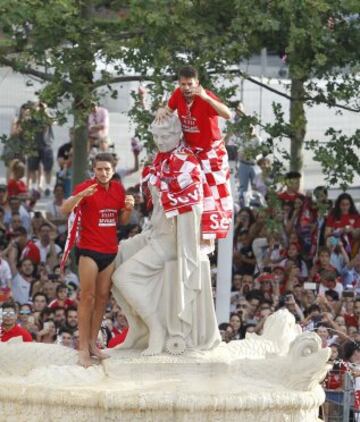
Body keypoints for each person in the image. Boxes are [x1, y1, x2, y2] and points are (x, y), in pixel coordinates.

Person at [112, 115, 221, 356]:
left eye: (166, 136)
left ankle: (157, 328)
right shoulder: (161, 161)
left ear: (179, 135)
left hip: (174, 239)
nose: (161, 141)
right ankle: (138, 327)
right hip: (154, 231)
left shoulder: (187, 163)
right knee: (112, 259)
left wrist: (167, 197)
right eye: (157, 136)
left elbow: (192, 204)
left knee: (123, 277)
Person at [60, 152, 135, 367]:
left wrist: (128, 208)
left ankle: (93, 343)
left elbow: (121, 220)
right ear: (94, 169)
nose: (103, 173)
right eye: (100, 169)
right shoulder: (86, 187)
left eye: (107, 169)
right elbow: (65, 209)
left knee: (103, 298)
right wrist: (80, 196)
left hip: (110, 251)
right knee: (88, 297)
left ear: (113, 170)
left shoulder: (118, 189)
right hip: (88, 251)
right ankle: (82, 347)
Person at [155, 65, 233, 239]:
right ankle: (176, 210)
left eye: (190, 84)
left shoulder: (206, 97)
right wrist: (162, 110)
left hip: (211, 151)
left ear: (197, 83)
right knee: (170, 169)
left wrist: (207, 99)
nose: (186, 88)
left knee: (215, 193)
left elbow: (228, 114)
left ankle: (213, 226)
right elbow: (167, 110)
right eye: (183, 84)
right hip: (190, 149)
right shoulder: (177, 94)